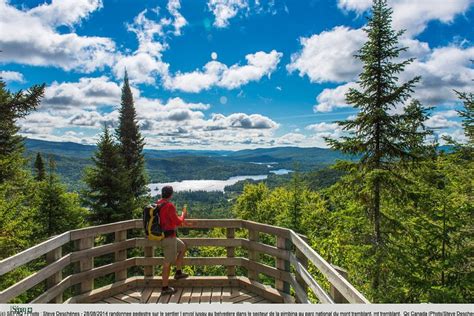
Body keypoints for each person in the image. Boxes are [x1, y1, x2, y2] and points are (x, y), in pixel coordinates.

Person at [156, 185, 189, 295]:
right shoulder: (169, 206)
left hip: (164, 236)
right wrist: (183, 214)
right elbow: (178, 222)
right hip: (168, 238)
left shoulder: (158, 203)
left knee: (183, 247)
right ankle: (165, 288)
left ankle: (178, 272)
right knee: (167, 263)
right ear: (171, 194)